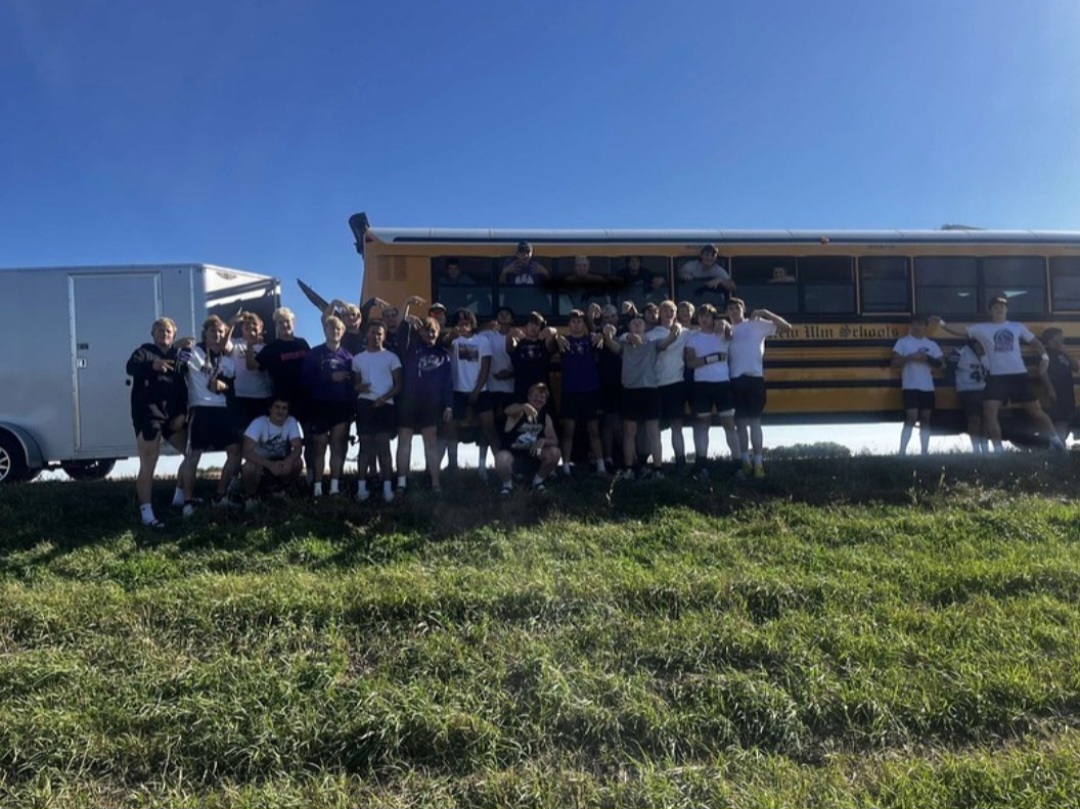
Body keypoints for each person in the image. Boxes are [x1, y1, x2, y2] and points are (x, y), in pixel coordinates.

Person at [930, 298, 1064, 451]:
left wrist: (1045, 359)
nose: (999, 309)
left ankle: (1056, 441)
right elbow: (960, 330)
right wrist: (941, 323)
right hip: (997, 377)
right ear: (991, 311)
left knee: (1036, 412)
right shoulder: (982, 328)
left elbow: (1036, 343)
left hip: (1018, 375)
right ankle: (998, 452)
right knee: (989, 413)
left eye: (1002, 306)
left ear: (1006, 310)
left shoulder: (1017, 326)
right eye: (995, 307)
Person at [126, 317, 189, 527]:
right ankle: (146, 513)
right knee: (149, 463)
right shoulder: (143, 351)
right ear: (153, 334)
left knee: (191, 454)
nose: (164, 334)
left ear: (174, 334)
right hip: (148, 415)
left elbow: (182, 388)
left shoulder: (178, 357)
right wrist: (153, 365)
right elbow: (130, 367)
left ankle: (179, 498)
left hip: (171, 417)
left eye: (168, 331)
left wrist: (182, 414)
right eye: (160, 331)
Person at [602, 315, 682, 479]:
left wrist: (676, 331)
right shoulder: (624, 343)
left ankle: (658, 469)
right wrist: (607, 333)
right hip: (630, 391)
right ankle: (629, 468)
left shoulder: (653, 343)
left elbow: (669, 340)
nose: (637, 325)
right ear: (629, 327)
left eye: (640, 323)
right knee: (629, 432)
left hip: (650, 391)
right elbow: (611, 344)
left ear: (645, 327)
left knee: (653, 432)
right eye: (634, 323)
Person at [176, 315, 240, 512]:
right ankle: (187, 502)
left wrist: (222, 386)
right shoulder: (193, 352)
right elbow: (176, 362)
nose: (217, 335)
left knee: (236, 452)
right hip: (200, 409)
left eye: (221, 332)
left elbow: (231, 389)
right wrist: (181, 343)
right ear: (205, 334)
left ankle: (220, 496)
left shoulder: (228, 360)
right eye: (213, 332)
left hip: (222, 411)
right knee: (193, 456)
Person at [727, 298, 792, 478]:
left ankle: (758, 462)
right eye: (730, 308)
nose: (733, 311)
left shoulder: (756, 325)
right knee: (740, 423)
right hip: (735, 379)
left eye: (736, 307)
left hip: (755, 378)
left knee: (755, 422)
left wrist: (765, 312)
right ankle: (745, 461)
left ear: (743, 309)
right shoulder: (727, 329)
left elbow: (787, 328)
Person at [396, 315, 453, 493]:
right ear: (419, 332)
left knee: (431, 443)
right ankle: (401, 482)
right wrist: (406, 311)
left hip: (431, 405)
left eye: (433, 331)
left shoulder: (442, 355)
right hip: (409, 403)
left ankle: (435, 483)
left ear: (438, 333)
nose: (430, 334)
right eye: (426, 330)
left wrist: (448, 405)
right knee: (404, 442)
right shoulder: (411, 349)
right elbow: (401, 334)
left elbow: (447, 383)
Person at [253, 307, 313, 478]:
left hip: (305, 399)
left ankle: (310, 477)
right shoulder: (271, 348)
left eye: (287, 321)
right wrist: (250, 345)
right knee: (284, 441)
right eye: (281, 322)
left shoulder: (302, 344)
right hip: (282, 402)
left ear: (293, 324)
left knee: (309, 438)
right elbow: (253, 366)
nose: (284, 325)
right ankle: (281, 476)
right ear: (276, 326)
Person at [683, 304, 740, 478]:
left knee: (729, 424)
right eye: (701, 316)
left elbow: (731, 330)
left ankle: (738, 464)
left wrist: (724, 322)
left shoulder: (722, 333)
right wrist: (713, 358)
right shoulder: (692, 338)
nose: (704, 319)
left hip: (722, 383)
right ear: (697, 319)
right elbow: (690, 363)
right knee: (702, 425)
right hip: (701, 385)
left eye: (708, 316)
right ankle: (701, 464)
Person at [301, 315, 355, 496]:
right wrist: (330, 377)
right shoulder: (314, 354)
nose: (335, 332)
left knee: (337, 446)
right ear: (325, 331)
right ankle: (317, 486)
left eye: (339, 329)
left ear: (343, 332)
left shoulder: (348, 357)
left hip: (341, 407)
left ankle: (334, 487)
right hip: (320, 406)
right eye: (332, 328)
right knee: (319, 446)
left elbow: (353, 385)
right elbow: (305, 380)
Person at [353, 323, 403, 503]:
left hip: (386, 404)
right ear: (367, 334)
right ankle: (361, 488)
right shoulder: (358, 358)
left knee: (384, 445)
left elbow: (398, 385)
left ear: (384, 336)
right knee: (365, 446)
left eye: (379, 334)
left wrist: (383, 398)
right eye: (373, 333)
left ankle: (387, 489)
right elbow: (356, 385)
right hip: (365, 404)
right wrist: (360, 387)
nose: (376, 336)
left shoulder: (392, 357)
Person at [555, 309, 607, 477]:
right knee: (569, 431)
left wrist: (601, 335)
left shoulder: (591, 340)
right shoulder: (563, 341)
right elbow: (550, 336)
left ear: (584, 324)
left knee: (594, 431)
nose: (576, 324)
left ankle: (601, 467)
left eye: (579, 321)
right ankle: (566, 468)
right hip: (571, 392)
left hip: (591, 391)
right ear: (568, 325)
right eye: (573, 321)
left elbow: (603, 335)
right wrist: (557, 337)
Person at [445, 308, 497, 476]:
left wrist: (476, 389)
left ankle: (498, 466)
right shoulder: (453, 341)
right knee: (451, 428)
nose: (463, 323)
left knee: (488, 428)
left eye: (466, 320)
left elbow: (485, 367)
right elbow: (444, 346)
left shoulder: (482, 341)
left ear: (472, 322)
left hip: (480, 391)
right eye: (459, 320)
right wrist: (450, 337)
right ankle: (453, 465)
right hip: (457, 392)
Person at [646, 300, 693, 468]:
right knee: (654, 427)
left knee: (676, 426)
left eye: (672, 311)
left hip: (676, 383)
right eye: (665, 311)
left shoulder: (687, 333)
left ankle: (680, 461)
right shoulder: (651, 334)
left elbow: (707, 336)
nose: (669, 314)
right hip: (656, 384)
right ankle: (655, 463)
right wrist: (672, 337)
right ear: (660, 314)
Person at [495, 383, 562, 497]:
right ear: (529, 397)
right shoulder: (518, 411)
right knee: (501, 458)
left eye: (542, 397)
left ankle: (538, 481)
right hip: (513, 454)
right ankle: (507, 484)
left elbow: (555, 440)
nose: (539, 399)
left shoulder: (545, 417)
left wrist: (544, 441)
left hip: (533, 455)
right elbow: (507, 410)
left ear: (546, 401)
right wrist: (523, 407)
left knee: (555, 452)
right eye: (536, 395)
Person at [891, 316, 944, 456]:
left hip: (928, 386)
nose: (917, 327)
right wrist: (910, 357)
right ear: (910, 326)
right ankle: (902, 451)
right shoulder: (903, 342)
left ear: (925, 326)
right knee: (911, 417)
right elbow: (894, 363)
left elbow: (942, 364)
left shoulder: (932, 345)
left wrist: (927, 358)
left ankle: (924, 452)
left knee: (926, 419)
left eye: (920, 324)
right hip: (910, 386)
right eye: (914, 324)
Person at [239, 397, 303, 506]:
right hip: (260, 461)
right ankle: (252, 496)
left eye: (284, 408)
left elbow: (297, 447)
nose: (280, 411)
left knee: (297, 463)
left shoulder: (291, 421)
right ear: (270, 409)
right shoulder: (259, 423)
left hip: (281, 460)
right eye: (277, 407)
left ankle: (284, 489)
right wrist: (269, 465)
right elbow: (246, 451)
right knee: (248, 467)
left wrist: (288, 461)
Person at [479, 306, 517, 475]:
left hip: (509, 388)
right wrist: (487, 325)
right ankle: (481, 465)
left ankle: (507, 464)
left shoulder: (517, 335)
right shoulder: (488, 334)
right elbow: (474, 332)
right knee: (487, 428)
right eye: (500, 313)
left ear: (511, 320)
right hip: (490, 388)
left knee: (508, 429)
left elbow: (521, 362)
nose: (503, 315)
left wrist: (510, 374)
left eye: (507, 314)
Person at [229, 311, 274, 432]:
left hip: (261, 397)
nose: (250, 326)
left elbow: (252, 366)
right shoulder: (235, 343)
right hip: (240, 397)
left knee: (260, 436)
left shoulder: (266, 348)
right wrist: (232, 323)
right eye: (246, 323)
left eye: (254, 324)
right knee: (241, 435)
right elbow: (223, 344)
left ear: (261, 328)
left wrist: (250, 345)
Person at [949, 339, 989, 453]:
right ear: (976, 344)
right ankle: (976, 449)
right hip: (968, 390)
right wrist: (952, 387)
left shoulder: (988, 354)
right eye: (982, 346)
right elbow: (949, 368)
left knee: (987, 419)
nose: (984, 349)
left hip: (984, 389)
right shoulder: (961, 352)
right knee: (975, 419)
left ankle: (985, 448)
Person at [508, 311, 558, 401]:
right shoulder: (518, 343)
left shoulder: (543, 343)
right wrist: (512, 335)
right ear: (525, 326)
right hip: (522, 390)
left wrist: (552, 330)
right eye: (531, 324)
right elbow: (510, 347)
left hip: (541, 390)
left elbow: (552, 335)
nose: (533, 327)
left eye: (537, 325)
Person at [1040, 327, 1078, 444]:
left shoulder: (1063, 353)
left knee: (1067, 417)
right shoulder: (1046, 354)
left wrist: (1066, 353)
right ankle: (1058, 445)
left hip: (1067, 389)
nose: (1062, 339)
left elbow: (1076, 368)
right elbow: (1042, 372)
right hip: (1057, 389)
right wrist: (1050, 390)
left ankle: (1060, 444)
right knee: (1060, 419)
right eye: (1059, 337)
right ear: (1051, 340)